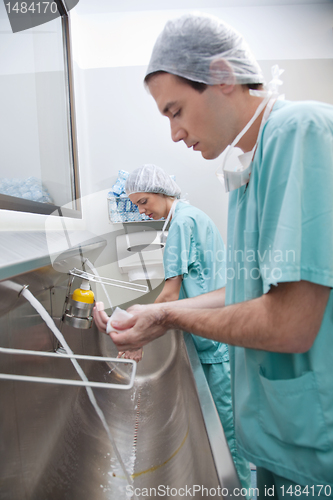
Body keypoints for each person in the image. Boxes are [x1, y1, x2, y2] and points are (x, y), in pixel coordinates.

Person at [94, 12, 333, 496]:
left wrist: (172, 317)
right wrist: (159, 312)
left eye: (176, 111)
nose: (175, 135)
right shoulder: (246, 172)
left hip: (313, 445)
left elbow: (289, 323)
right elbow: (241, 294)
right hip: (278, 435)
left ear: (222, 76)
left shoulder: (298, 131)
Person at [96, 163, 252, 491]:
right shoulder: (190, 217)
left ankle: (244, 493)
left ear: (162, 192)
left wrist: (136, 337)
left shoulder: (181, 223)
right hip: (218, 334)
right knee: (233, 429)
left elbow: (169, 294)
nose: (142, 211)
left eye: (144, 202)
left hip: (214, 341)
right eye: (136, 204)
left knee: (228, 435)